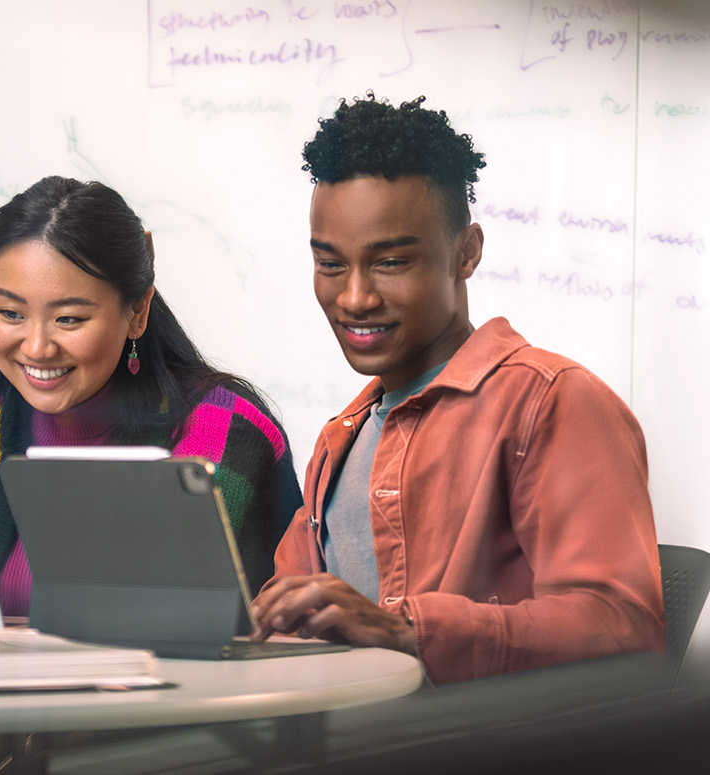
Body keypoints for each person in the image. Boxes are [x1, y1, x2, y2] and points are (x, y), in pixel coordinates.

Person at [249, 94, 664, 684]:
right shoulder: (339, 440)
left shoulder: (551, 402)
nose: (355, 298)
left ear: (466, 252)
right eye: (331, 264)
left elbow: (624, 624)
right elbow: (287, 623)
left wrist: (407, 632)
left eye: (390, 262)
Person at [0, 175, 303, 616]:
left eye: (69, 319)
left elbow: (188, 620)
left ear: (137, 312)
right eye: (10, 313)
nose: (37, 347)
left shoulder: (222, 428)